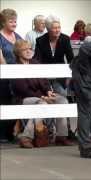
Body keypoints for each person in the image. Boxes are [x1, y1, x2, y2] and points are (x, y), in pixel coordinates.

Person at [11, 40, 73, 148]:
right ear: (18, 52)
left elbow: (45, 81)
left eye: (30, 48)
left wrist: (48, 91)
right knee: (42, 104)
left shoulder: (36, 63)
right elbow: (22, 89)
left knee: (63, 101)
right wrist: (42, 97)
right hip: (25, 98)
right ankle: (26, 137)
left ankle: (61, 136)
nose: (29, 51)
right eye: (25, 49)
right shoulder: (15, 66)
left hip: (42, 95)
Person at [34, 15, 74, 96]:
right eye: (54, 28)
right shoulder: (40, 40)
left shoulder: (65, 39)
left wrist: (70, 76)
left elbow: (71, 58)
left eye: (59, 27)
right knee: (46, 97)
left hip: (60, 75)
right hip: (44, 75)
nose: (57, 30)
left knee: (62, 95)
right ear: (48, 29)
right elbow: (37, 60)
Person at [0, 8, 23, 142]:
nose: (14, 24)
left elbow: (24, 54)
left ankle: (11, 133)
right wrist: (9, 73)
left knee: (16, 103)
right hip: (3, 78)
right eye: (11, 21)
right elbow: (1, 59)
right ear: (3, 22)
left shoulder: (18, 37)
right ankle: (2, 134)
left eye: (15, 21)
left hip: (18, 77)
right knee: (4, 103)